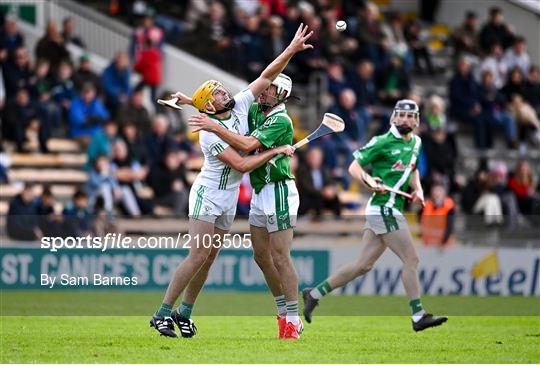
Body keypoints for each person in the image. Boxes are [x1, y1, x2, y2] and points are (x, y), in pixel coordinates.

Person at [149, 24, 312, 339]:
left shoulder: (236, 106)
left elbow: (267, 75)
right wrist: (277, 150)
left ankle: (185, 314)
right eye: (219, 92)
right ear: (211, 104)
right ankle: (162, 314)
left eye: (224, 89)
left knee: (208, 260)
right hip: (208, 195)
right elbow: (242, 161)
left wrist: (291, 49)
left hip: (227, 197)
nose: (228, 92)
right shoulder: (208, 134)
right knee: (197, 254)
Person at [301, 99, 448, 332]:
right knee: (412, 259)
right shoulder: (382, 141)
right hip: (383, 208)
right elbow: (354, 167)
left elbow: (413, 170)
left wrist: (418, 190)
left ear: (417, 120)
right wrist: (368, 180)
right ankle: (418, 315)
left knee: (362, 265)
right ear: (393, 117)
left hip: (390, 208)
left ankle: (314, 293)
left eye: (411, 116)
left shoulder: (417, 142)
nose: (406, 120)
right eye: (401, 115)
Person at [188, 73, 303, 340]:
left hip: (280, 190)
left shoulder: (280, 119)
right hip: (260, 191)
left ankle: (293, 318)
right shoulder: (256, 110)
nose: (264, 91)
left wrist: (215, 128)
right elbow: (223, 108)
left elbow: (247, 145)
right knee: (261, 256)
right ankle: (282, 310)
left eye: (270, 89)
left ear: (282, 94)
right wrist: (190, 101)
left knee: (280, 256)